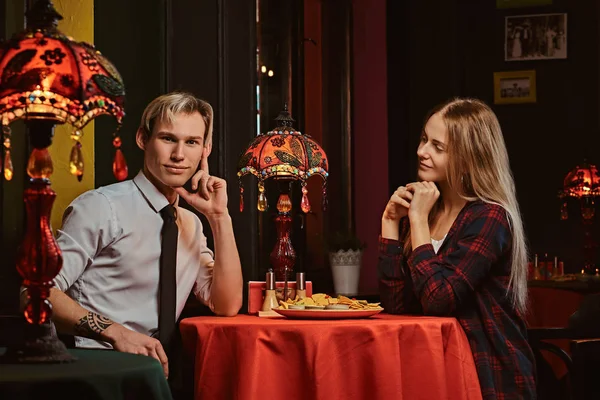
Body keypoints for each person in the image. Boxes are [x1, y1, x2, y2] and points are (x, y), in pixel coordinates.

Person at [42, 92, 243, 378]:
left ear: (205, 150)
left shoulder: (190, 224)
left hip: (161, 372)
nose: (179, 155)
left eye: (192, 142)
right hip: (95, 368)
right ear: (142, 139)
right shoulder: (101, 206)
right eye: (168, 139)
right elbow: (39, 292)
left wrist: (219, 217)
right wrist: (117, 334)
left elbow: (226, 304)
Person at [378, 98, 535, 399]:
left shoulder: (490, 217)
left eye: (438, 147)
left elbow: (438, 299)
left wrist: (418, 221)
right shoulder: (428, 211)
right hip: (434, 371)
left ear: (468, 157)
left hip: (487, 376)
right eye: (424, 139)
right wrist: (390, 223)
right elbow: (397, 307)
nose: (421, 152)